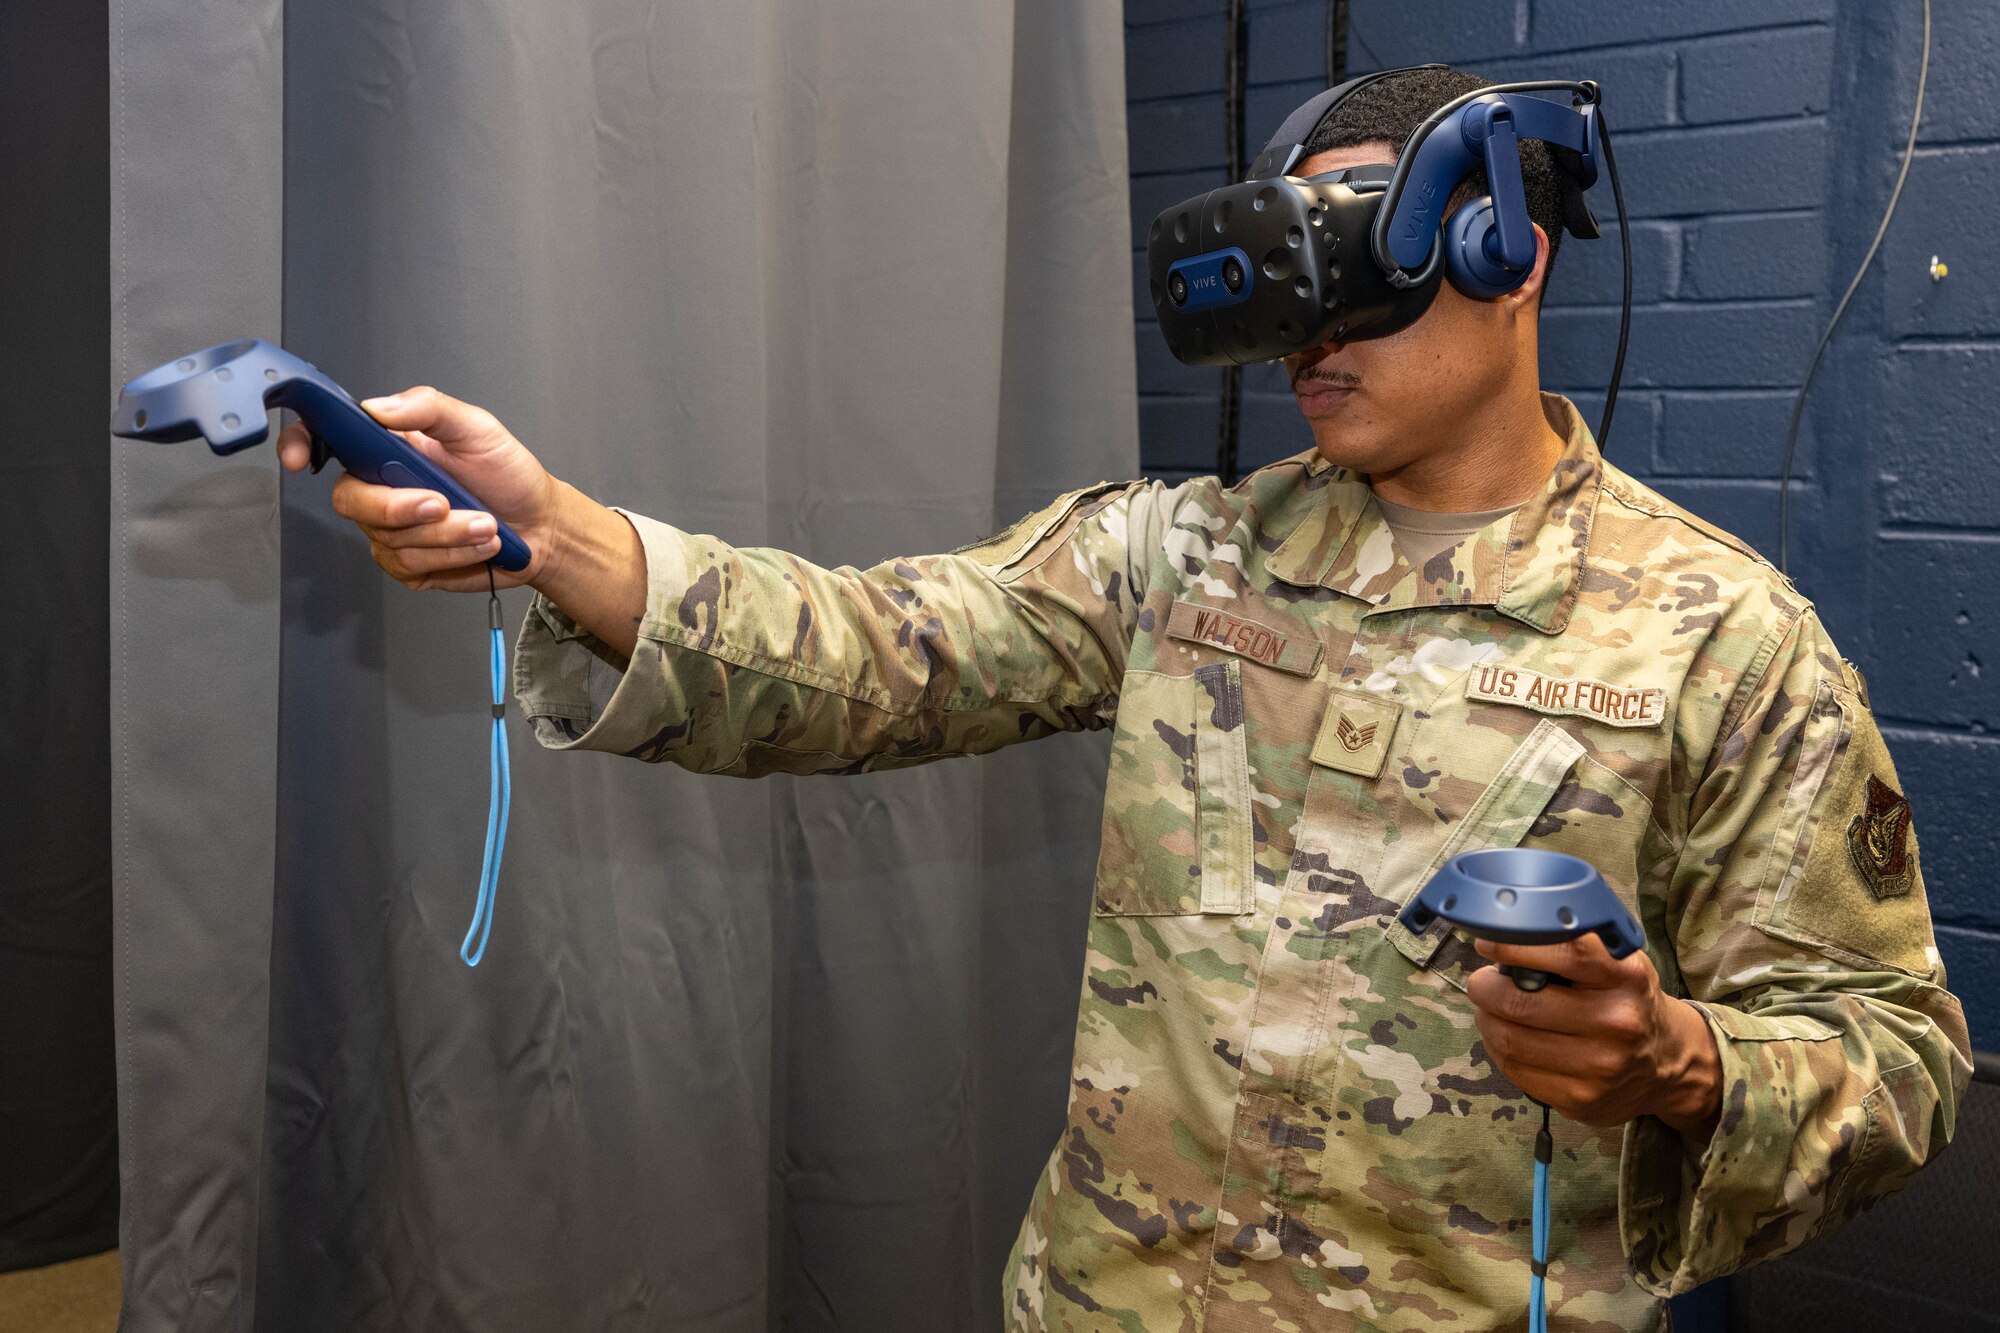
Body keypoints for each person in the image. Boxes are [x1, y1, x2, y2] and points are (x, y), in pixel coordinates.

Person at [284, 67, 1970, 1333]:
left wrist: (1677, 1063)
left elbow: (1897, 1066)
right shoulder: (1184, 557)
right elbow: (869, 651)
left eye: (1351, 271)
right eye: (1282, 282)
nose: (1309, 334)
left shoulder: (1718, 639)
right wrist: (558, 530)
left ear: (1503, 252)